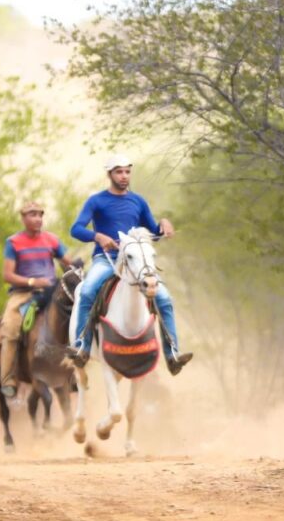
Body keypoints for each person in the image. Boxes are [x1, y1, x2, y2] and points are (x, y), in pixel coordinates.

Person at [65, 154, 193, 374]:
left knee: (163, 297)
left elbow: (153, 232)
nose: (124, 176)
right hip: (106, 260)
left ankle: (172, 355)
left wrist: (163, 224)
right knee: (86, 291)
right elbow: (76, 229)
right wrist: (98, 237)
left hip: (135, 262)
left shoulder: (138, 201)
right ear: (109, 174)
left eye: (127, 171)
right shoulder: (96, 201)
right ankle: (81, 349)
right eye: (119, 172)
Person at [0, 201, 77, 398]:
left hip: (52, 291)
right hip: (23, 294)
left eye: (40, 215)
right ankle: (8, 379)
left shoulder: (51, 240)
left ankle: (75, 370)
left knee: (77, 317)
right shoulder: (13, 242)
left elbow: (69, 262)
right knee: (10, 328)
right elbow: (7, 275)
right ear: (23, 218)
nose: (37, 219)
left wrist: (75, 269)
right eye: (32, 214)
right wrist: (33, 281)